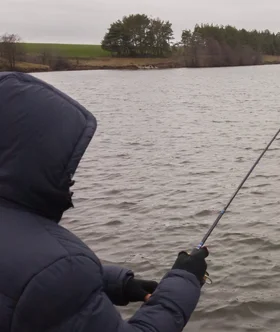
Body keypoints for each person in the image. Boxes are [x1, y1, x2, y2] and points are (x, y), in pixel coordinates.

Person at [0, 72, 209, 332]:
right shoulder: (58, 268)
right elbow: (45, 280)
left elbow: (22, 283)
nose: (71, 178)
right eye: (68, 165)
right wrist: (184, 280)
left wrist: (111, 283)